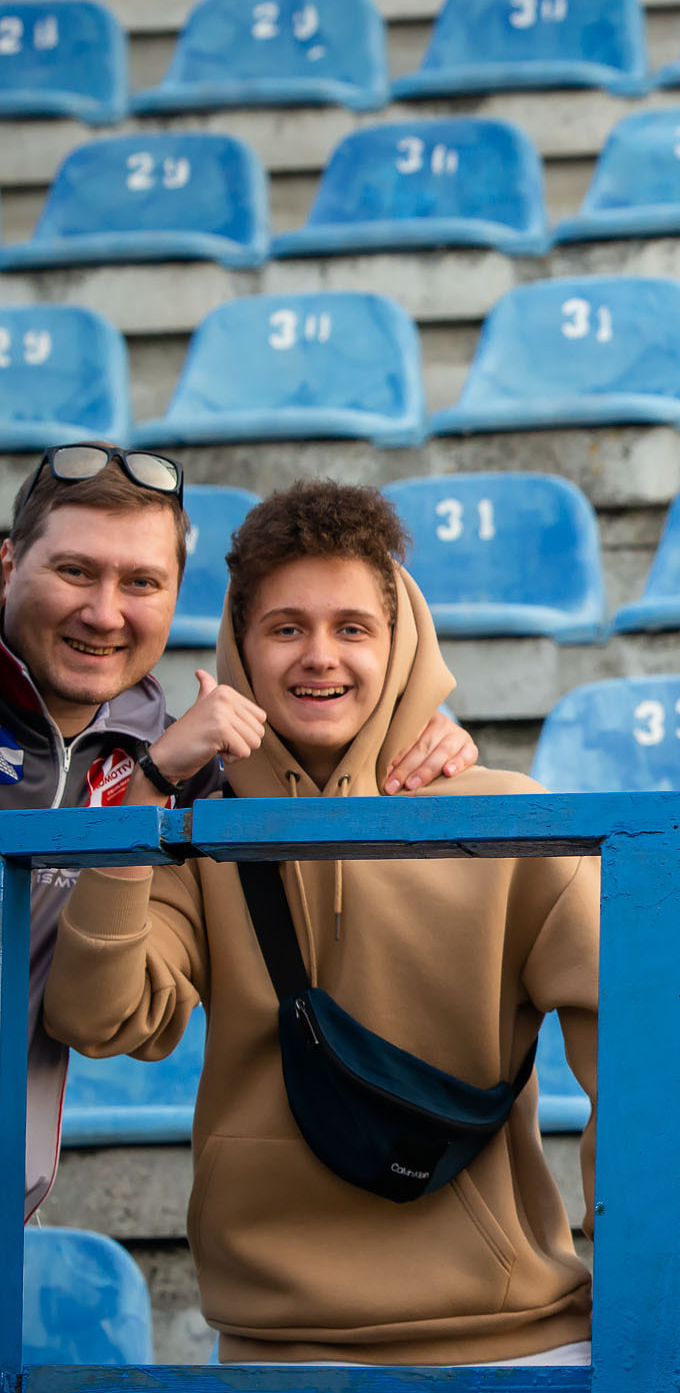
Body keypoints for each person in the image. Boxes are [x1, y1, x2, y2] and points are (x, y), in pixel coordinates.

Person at [44, 481, 598, 1393]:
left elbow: (638, 1052)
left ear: (404, 642)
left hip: (527, 1337)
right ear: (241, 649)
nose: (319, 657)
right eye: (285, 627)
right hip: (293, 1348)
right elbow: (99, 1013)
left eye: (353, 627)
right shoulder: (189, 834)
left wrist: (623, 1264)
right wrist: (148, 802)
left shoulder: (514, 819)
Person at [1, 446, 473, 1220]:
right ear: (8, 566)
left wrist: (409, 725)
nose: (105, 611)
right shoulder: (173, 760)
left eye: (142, 583)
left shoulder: (178, 757)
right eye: (76, 572)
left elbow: (102, 1017)